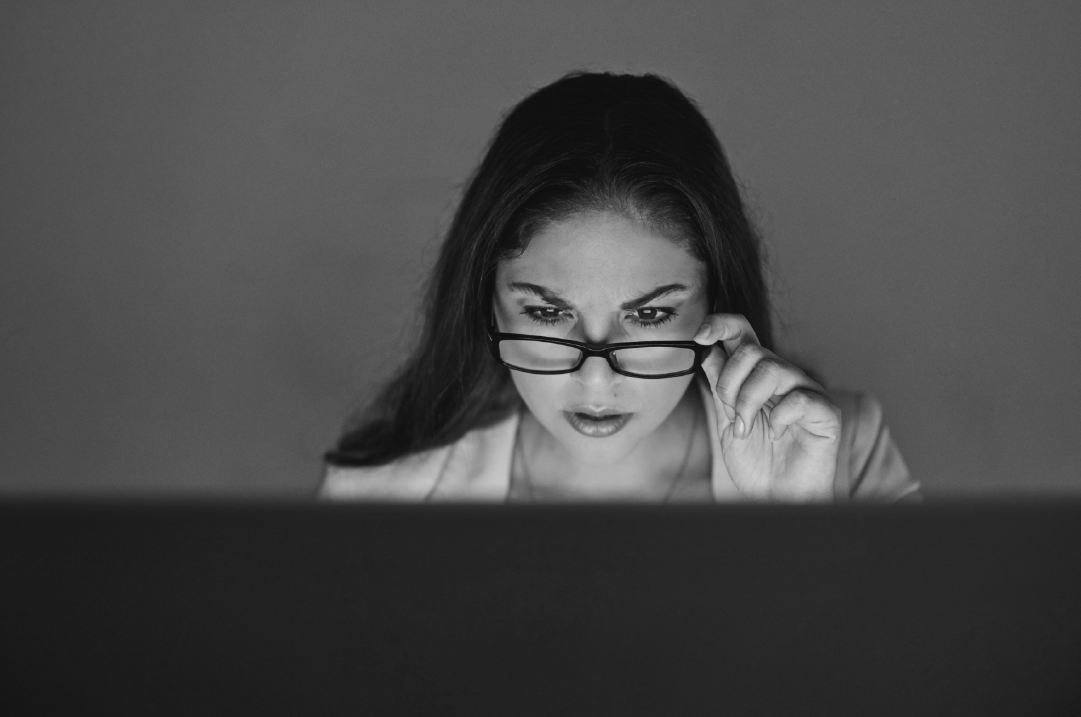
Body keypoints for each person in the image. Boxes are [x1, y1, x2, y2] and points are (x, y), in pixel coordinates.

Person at [319, 71, 920, 503]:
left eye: (651, 316)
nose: (596, 382)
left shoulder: (844, 455)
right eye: (546, 314)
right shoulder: (381, 494)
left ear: (717, 303)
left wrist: (796, 527)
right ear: (486, 303)